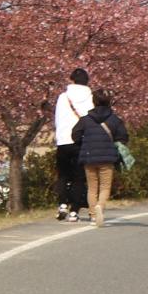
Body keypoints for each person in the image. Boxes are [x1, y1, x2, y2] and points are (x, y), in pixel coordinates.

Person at [70, 88, 128, 227]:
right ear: (109, 102)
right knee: (105, 187)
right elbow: (123, 137)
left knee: (92, 187)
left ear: (94, 102)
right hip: (107, 157)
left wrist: (84, 143)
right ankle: (100, 207)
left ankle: (93, 215)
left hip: (89, 157)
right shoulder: (115, 120)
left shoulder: (86, 120)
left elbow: (75, 135)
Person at [53, 68, 94, 221]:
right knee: (79, 178)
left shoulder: (63, 97)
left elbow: (57, 119)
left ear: (72, 80)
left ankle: (62, 203)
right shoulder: (91, 98)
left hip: (63, 140)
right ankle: (74, 212)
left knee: (63, 174)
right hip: (81, 142)